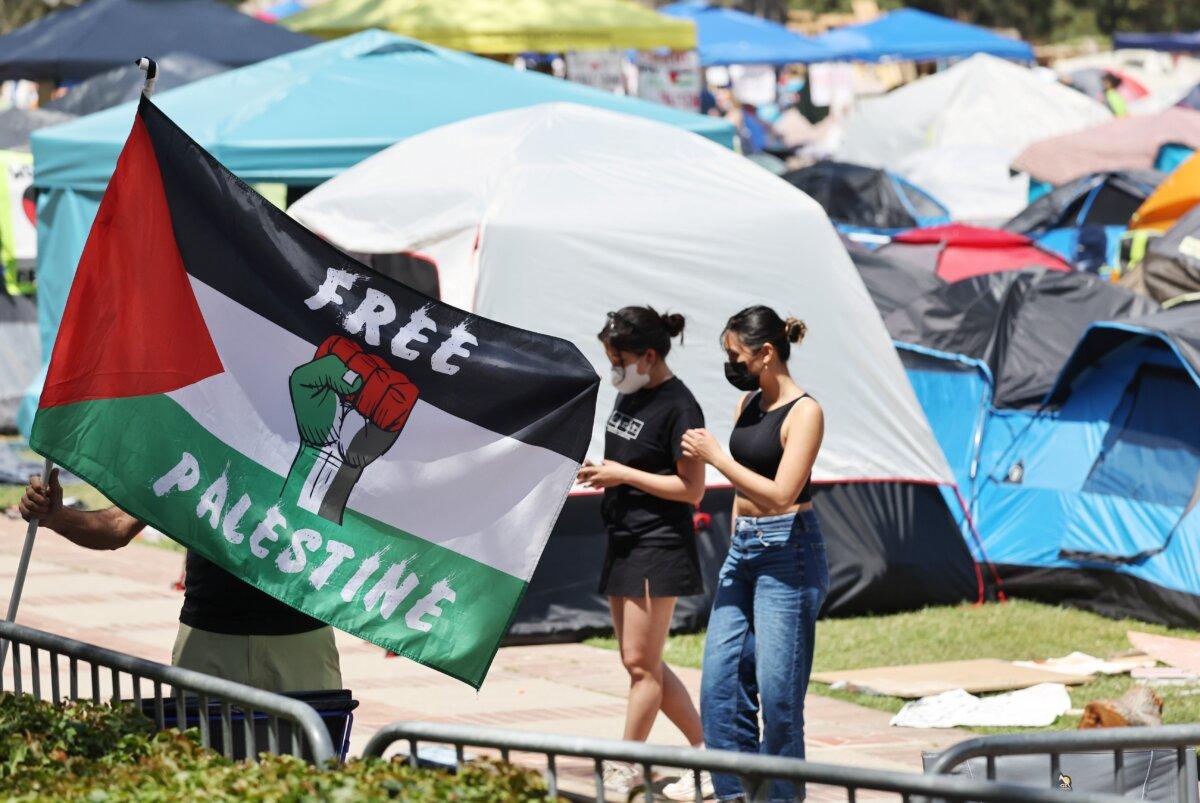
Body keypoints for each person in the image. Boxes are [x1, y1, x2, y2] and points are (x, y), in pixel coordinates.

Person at [681, 305, 826, 802]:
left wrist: (717, 457)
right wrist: (738, 534)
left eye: (735, 355)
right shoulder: (748, 404)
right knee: (719, 688)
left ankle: (780, 797)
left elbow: (783, 493)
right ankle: (734, 795)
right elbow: (747, 489)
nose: (731, 364)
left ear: (765, 353)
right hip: (743, 550)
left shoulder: (805, 412)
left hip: (790, 551)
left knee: (780, 698)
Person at [19, 471, 342, 692]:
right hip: (209, 636)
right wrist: (57, 516)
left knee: (310, 784)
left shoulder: (322, 430)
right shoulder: (198, 435)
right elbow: (116, 527)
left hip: (302, 637)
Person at [578, 307, 710, 799]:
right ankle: (707, 753)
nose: (614, 369)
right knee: (642, 664)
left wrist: (624, 475)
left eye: (620, 359)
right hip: (624, 538)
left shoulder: (680, 407)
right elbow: (631, 459)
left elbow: (692, 489)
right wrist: (606, 472)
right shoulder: (629, 394)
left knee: (640, 665)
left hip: (658, 544)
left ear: (649, 356)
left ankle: (627, 764)